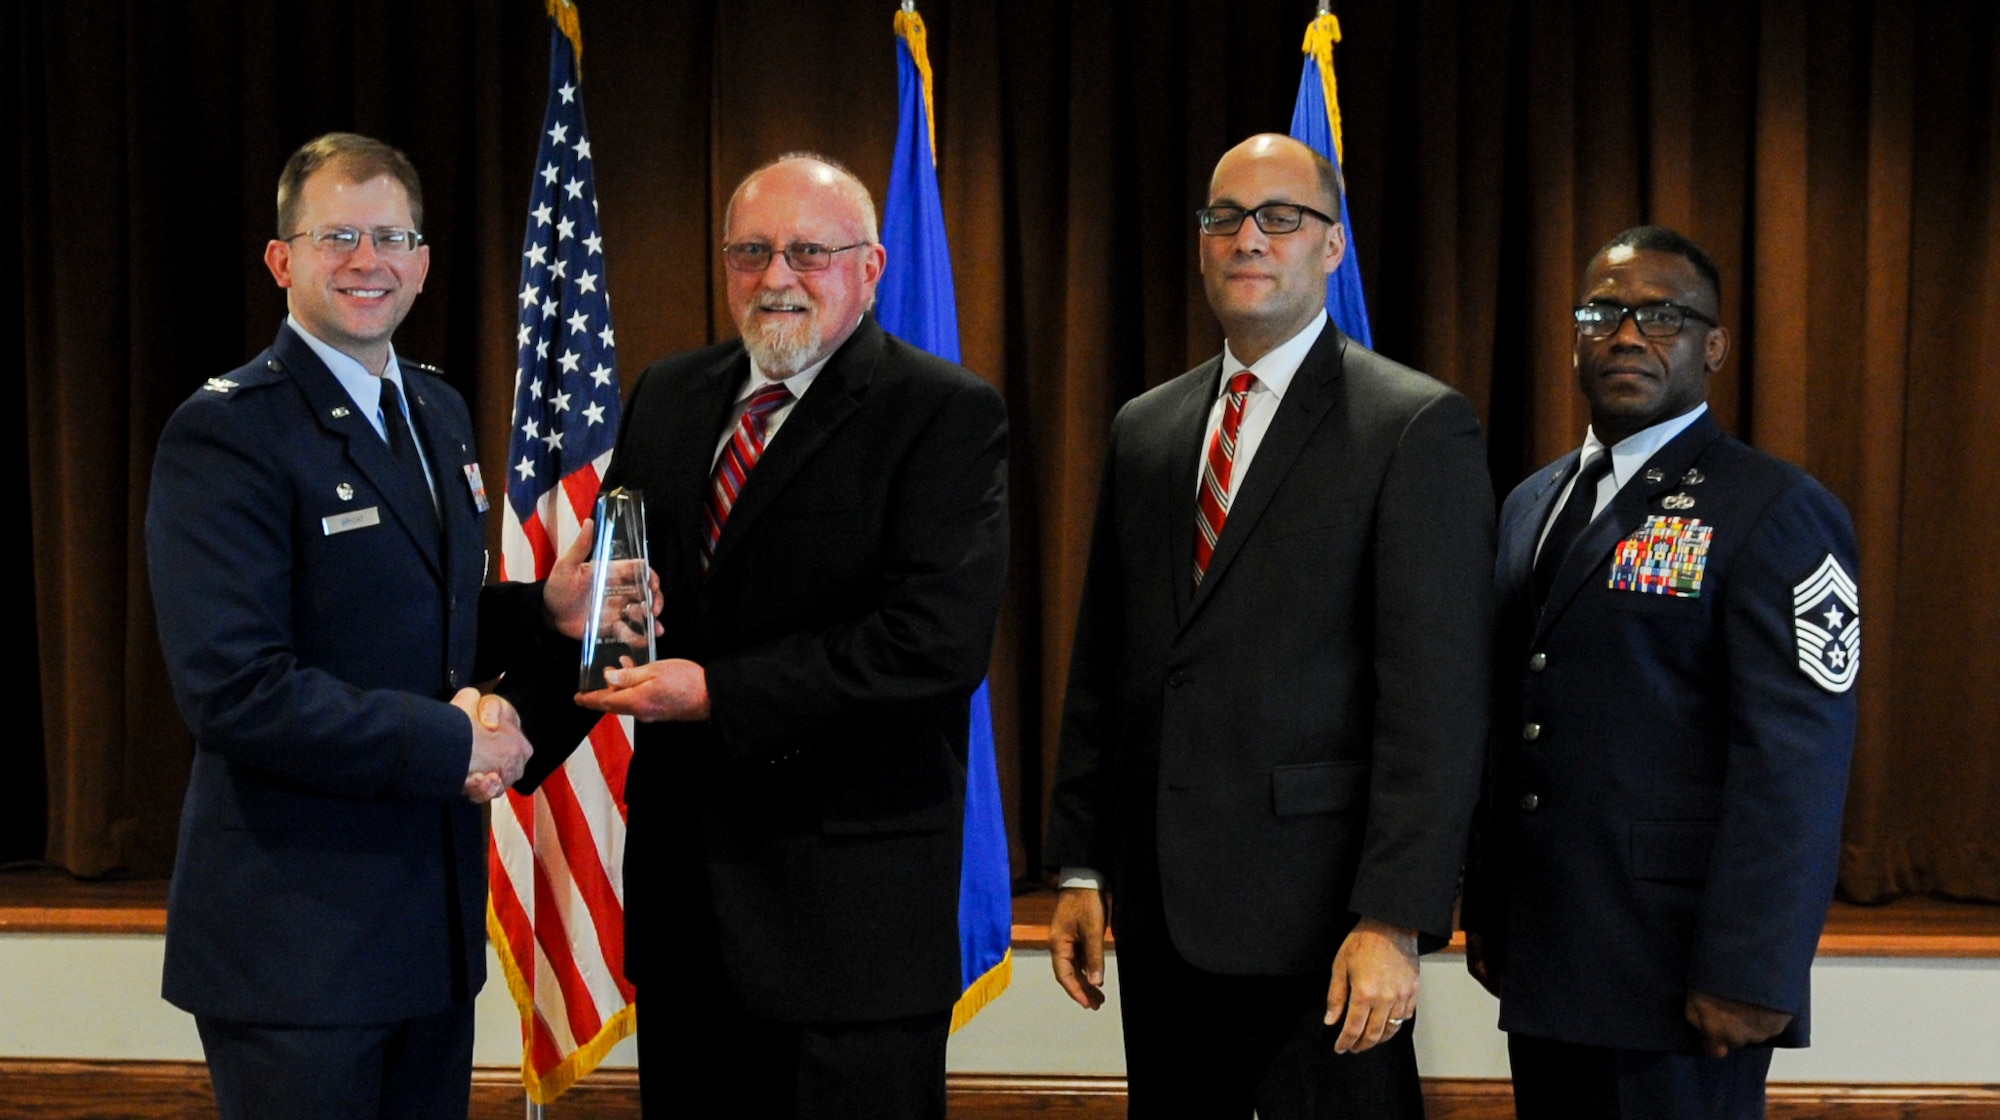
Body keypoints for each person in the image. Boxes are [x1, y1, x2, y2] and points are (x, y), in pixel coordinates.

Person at [509, 153, 1008, 1120]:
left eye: (809, 252)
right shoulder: (670, 392)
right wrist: (509, 723)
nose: (776, 277)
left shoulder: (943, 413)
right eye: (751, 251)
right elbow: (620, 613)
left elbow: (933, 647)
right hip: (688, 914)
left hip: (849, 931)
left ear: (871, 266)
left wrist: (715, 696)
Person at [1042, 133, 1495, 1119]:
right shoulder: (1145, 428)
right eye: (1224, 218)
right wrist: (1080, 863)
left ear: (1330, 248)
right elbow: (1105, 665)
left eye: (1280, 217)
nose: (1249, 238)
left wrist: (1394, 916)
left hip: (1322, 925)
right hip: (1160, 917)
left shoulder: (1413, 426)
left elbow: (1436, 700)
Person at [146, 132, 596, 1120]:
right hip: (295, 945)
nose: (367, 261)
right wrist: (455, 740)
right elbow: (236, 689)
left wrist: (540, 614)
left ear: (423, 260)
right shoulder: (226, 431)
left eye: (390, 236)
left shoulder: (431, 408)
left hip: (425, 931)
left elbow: (416, 625)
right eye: (336, 234)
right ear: (283, 258)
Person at [1461, 226, 1859, 1118]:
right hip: (1548, 957)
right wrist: (1489, 904)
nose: (1629, 335)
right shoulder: (1533, 499)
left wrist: (1754, 965)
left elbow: (1796, 761)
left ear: (1713, 347)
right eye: (1603, 312)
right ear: (1574, 338)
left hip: (1681, 973)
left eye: (1664, 315)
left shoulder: (1776, 509)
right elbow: (1514, 711)